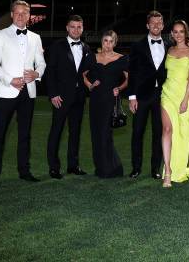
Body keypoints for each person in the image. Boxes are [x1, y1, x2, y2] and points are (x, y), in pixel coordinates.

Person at [0, 0, 46, 187]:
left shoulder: (36, 37)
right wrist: (9, 80)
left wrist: (37, 74)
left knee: (25, 134)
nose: (21, 16)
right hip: (6, 91)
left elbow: (42, 63)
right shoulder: (0, 34)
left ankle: (24, 171)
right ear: (12, 14)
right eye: (17, 13)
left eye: (25, 13)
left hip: (28, 92)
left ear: (29, 15)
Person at [161, 20, 189, 187]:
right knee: (167, 129)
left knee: (182, 134)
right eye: (175, 31)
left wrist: (186, 100)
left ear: (186, 33)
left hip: (183, 95)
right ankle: (168, 171)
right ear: (172, 34)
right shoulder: (170, 50)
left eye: (181, 31)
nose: (178, 34)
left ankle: (181, 166)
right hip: (167, 94)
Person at [46, 15, 91, 178]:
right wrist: (53, 94)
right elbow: (50, 71)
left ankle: (73, 165)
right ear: (67, 28)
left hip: (79, 98)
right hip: (61, 97)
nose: (76, 30)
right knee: (56, 131)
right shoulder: (57, 46)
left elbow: (88, 73)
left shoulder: (86, 48)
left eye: (79, 27)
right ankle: (54, 167)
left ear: (82, 28)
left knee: (75, 132)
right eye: (73, 27)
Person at [127, 11, 168, 179]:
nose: (156, 26)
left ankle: (155, 169)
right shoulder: (137, 45)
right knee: (137, 132)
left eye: (159, 23)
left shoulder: (170, 44)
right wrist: (132, 97)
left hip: (162, 96)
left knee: (159, 133)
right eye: (153, 23)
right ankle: (136, 168)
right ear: (147, 25)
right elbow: (132, 72)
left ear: (163, 25)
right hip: (142, 95)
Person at [82, 31, 128, 178]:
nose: (107, 44)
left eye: (110, 41)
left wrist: (119, 88)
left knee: (105, 133)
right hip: (95, 99)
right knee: (95, 134)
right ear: (101, 42)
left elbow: (129, 79)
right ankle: (101, 167)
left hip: (110, 100)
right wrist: (89, 85)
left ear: (115, 43)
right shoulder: (92, 57)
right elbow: (83, 74)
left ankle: (111, 168)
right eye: (105, 41)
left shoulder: (122, 59)